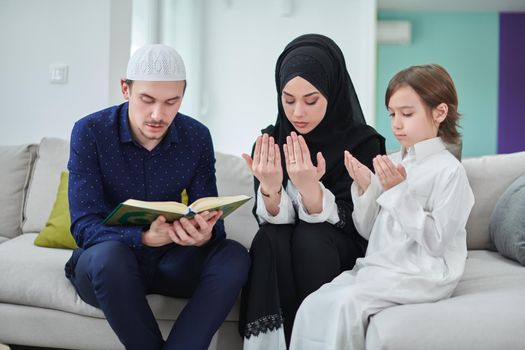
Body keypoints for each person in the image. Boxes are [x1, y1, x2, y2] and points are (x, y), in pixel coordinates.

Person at [64, 44, 250, 350]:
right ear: (125, 89)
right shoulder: (90, 132)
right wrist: (145, 238)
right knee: (110, 257)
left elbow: (210, 214)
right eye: (146, 100)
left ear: (182, 97)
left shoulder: (197, 136)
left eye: (171, 102)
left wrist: (202, 235)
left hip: (171, 264)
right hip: (108, 267)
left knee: (234, 256)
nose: (157, 115)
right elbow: (84, 226)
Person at [289, 64, 475, 350]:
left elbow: (437, 242)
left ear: (439, 113)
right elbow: (367, 230)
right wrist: (367, 187)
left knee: (345, 306)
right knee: (313, 305)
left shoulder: (450, 172)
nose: (396, 124)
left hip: (423, 272)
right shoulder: (394, 163)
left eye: (407, 114)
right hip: (382, 266)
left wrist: (397, 193)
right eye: (392, 114)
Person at [239, 34, 386, 349]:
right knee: (268, 238)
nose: (298, 113)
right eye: (288, 99)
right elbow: (270, 223)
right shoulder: (270, 142)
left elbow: (364, 226)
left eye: (311, 100)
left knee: (312, 235)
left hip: (337, 252)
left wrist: (311, 192)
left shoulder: (364, 144)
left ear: (332, 92)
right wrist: (270, 188)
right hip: (289, 249)